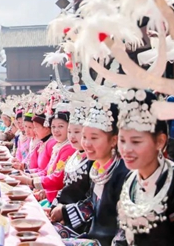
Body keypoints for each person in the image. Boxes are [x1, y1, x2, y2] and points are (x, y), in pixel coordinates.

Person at [113, 89, 174, 245]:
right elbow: (122, 236)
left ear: (160, 141)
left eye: (136, 141)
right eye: (122, 140)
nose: (126, 149)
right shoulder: (131, 179)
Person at [51, 101, 128, 246]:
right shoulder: (98, 167)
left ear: (113, 140)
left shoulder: (123, 174)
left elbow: (124, 231)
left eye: (94, 138)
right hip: (91, 235)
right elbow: (92, 204)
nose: (86, 143)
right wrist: (63, 211)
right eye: (84, 137)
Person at [15, 110, 75, 204]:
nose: (56, 130)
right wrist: (28, 175)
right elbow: (46, 171)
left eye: (61, 126)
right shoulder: (58, 145)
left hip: (59, 200)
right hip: (49, 193)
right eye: (53, 126)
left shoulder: (68, 148)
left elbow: (58, 179)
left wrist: (31, 181)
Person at [49, 105, 92, 224]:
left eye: (77, 132)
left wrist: (65, 213)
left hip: (80, 222)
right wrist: (54, 209)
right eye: (69, 132)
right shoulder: (75, 155)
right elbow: (64, 188)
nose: (72, 136)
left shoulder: (93, 161)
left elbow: (91, 202)